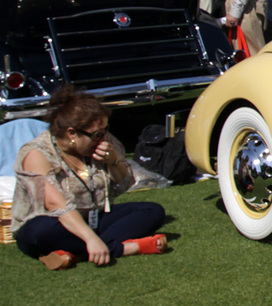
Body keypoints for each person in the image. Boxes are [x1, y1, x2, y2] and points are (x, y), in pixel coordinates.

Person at [10, 85, 168, 269]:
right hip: (54, 222)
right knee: (38, 231)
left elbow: (125, 184)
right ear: (72, 134)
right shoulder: (37, 153)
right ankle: (124, 248)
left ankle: (73, 253)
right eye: (97, 135)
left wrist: (114, 160)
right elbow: (55, 205)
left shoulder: (101, 144)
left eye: (105, 131)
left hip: (94, 217)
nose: (103, 138)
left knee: (152, 211)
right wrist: (91, 239)